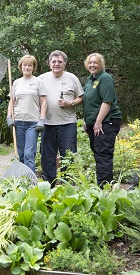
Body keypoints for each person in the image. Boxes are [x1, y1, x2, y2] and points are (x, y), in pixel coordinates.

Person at [39, 50, 83, 187]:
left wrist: (71, 103)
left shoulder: (72, 78)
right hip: (47, 123)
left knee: (68, 156)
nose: (56, 64)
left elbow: (81, 97)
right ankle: (49, 185)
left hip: (67, 123)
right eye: (54, 61)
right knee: (47, 156)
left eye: (59, 61)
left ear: (64, 64)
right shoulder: (41, 79)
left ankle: (67, 185)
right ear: (49, 63)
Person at [82, 53, 122, 188]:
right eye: (90, 62)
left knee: (103, 155)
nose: (92, 65)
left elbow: (107, 102)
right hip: (93, 123)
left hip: (107, 122)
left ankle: (104, 189)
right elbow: (89, 101)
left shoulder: (105, 78)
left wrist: (98, 122)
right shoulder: (90, 79)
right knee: (98, 154)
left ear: (101, 64)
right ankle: (106, 185)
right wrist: (85, 120)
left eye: (95, 62)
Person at [6, 54, 47, 174]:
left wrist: (42, 119)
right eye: (25, 65)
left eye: (30, 65)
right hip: (18, 122)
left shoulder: (38, 82)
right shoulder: (16, 83)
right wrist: (9, 116)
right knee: (22, 154)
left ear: (33, 67)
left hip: (33, 123)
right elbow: (12, 101)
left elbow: (44, 102)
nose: (27, 67)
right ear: (21, 66)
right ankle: (23, 180)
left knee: (29, 153)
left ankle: (31, 182)